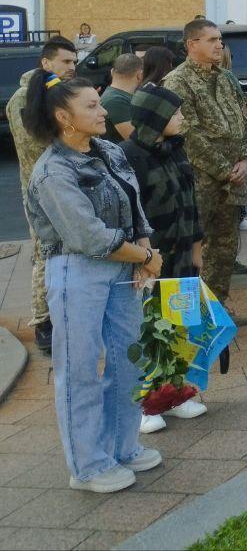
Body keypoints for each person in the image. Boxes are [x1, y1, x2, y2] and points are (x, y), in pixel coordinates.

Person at [23, 76, 163, 492]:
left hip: (127, 265)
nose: (103, 112)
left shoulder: (108, 150)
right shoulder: (52, 171)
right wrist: (146, 257)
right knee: (80, 368)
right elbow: (87, 237)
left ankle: (122, 447)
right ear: (64, 118)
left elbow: (133, 202)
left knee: (129, 358)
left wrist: (144, 246)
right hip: (77, 272)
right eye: (91, 107)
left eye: (100, 104)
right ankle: (87, 465)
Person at [120, 82, 209, 435]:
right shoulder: (129, 155)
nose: (182, 117)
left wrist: (197, 249)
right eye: (174, 113)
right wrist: (143, 260)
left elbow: (191, 202)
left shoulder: (175, 150)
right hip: (151, 260)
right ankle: (146, 402)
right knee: (148, 330)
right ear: (155, 118)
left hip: (183, 255)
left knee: (179, 325)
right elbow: (128, 213)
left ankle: (175, 394)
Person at [163, 20, 247, 313]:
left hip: (232, 180)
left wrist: (246, 159)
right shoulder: (177, 81)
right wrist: (225, 168)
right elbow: (188, 134)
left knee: (224, 247)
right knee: (192, 246)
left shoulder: (226, 79)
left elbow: (244, 121)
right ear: (193, 44)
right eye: (212, 40)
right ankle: (187, 312)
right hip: (199, 180)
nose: (220, 45)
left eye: (220, 39)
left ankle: (216, 308)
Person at [8, 36, 82, 353]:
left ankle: (64, 314)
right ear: (46, 63)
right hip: (42, 193)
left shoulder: (59, 94)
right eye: (66, 61)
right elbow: (34, 150)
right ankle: (43, 322)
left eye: (74, 62)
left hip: (68, 187)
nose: (72, 68)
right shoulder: (25, 99)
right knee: (44, 254)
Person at [100, 53, 144, 143]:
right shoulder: (115, 100)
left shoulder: (117, 96)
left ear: (112, 72)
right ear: (139, 75)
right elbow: (137, 140)